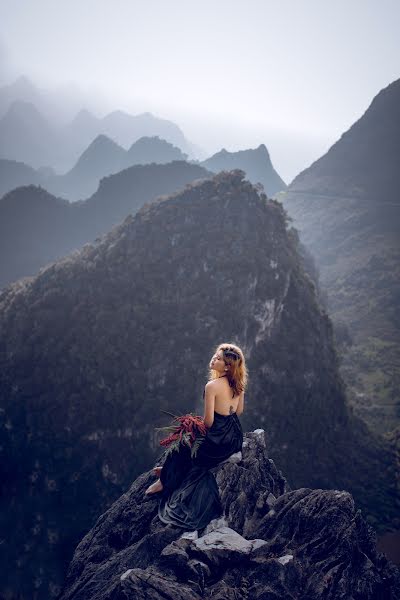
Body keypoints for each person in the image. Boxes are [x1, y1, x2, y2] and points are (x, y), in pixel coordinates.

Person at [145, 342, 247, 531]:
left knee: (183, 444)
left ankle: (164, 481)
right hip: (233, 438)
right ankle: (167, 470)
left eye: (218, 359)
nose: (214, 359)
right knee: (189, 444)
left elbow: (208, 422)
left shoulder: (212, 386)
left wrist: (194, 425)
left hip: (218, 439)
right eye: (215, 355)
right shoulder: (238, 385)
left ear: (226, 367)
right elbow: (238, 411)